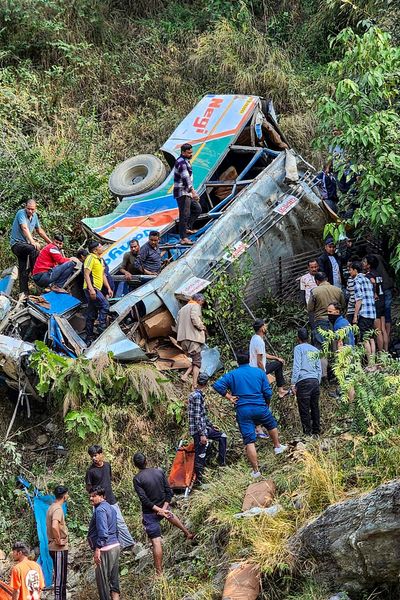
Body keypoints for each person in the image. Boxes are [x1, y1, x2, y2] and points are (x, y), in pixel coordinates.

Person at [213, 350, 287, 479]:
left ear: (237, 361)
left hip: (243, 410)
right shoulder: (259, 372)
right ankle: (277, 446)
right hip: (260, 406)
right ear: (249, 359)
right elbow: (268, 392)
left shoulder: (232, 374)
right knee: (271, 424)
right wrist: (266, 404)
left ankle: (256, 471)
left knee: (249, 440)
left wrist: (229, 397)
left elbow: (217, 385)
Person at [133, 453, 194, 575]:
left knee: (156, 542)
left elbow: (144, 499)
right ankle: (187, 533)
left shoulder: (138, 479)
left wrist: (158, 510)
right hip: (163, 506)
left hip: (150, 513)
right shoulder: (159, 472)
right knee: (169, 514)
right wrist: (164, 507)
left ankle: (159, 573)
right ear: (147, 461)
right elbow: (168, 491)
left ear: (135, 465)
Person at [85, 445, 136, 550]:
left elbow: (109, 478)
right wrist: (95, 497)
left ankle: (128, 543)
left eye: (95, 455)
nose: (93, 458)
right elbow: (88, 487)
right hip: (99, 502)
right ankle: (101, 546)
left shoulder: (107, 465)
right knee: (101, 525)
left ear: (101, 454)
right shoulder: (90, 471)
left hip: (111, 499)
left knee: (119, 521)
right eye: (91, 456)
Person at [188, 372, 227, 482]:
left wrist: (210, 425)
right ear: (206, 384)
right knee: (200, 454)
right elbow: (196, 417)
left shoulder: (198, 395)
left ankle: (221, 463)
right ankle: (199, 480)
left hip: (204, 428)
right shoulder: (196, 396)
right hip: (198, 431)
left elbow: (202, 414)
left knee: (222, 436)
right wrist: (202, 434)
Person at [10, 199, 52, 295]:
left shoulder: (35, 216)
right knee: (34, 249)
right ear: (25, 207)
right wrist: (33, 241)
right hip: (17, 245)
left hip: (25, 246)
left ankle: (24, 295)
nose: (30, 211)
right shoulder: (21, 213)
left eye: (32, 209)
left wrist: (51, 243)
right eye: (28, 209)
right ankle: (36, 273)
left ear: (35, 209)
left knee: (23, 270)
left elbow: (39, 231)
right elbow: (24, 227)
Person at [87, 487, 120, 600]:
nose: (91, 498)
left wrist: (97, 549)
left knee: (103, 583)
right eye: (90, 495)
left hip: (105, 548)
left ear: (102, 497)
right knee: (114, 581)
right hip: (115, 545)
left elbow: (103, 533)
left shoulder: (100, 510)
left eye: (94, 496)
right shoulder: (111, 508)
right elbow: (116, 529)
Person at [291, 328, 322, 436]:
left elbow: (297, 366)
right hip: (314, 381)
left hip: (303, 381)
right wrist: (318, 381)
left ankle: (307, 433)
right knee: (315, 407)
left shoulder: (298, 348)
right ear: (308, 338)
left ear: (298, 338)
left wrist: (293, 383)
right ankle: (316, 432)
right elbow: (319, 368)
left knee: (304, 409)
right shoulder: (315, 350)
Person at [249, 319, 288, 399]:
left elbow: (263, 354)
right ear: (261, 328)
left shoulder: (254, 338)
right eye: (265, 325)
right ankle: (280, 391)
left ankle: (280, 390)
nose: (266, 327)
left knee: (278, 362)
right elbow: (259, 362)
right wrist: (264, 375)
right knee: (279, 364)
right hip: (257, 369)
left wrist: (276, 358)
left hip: (253, 367)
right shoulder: (259, 341)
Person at [83, 241, 113, 344]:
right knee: (105, 305)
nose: (102, 247)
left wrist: (108, 288)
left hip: (97, 289)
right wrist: (91, 289)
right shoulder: (90, 258)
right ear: (95, 250)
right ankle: (101, 327)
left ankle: (89, 337)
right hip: (92, 288)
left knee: (91, 314)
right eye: (100, 246)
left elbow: (103, 275)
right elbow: (86, 274)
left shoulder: (100, 260)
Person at [307, 271, 346, 349]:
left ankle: (324, 361)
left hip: (321, 321)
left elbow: (310, 308)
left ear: (316, 281)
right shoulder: (338, 290)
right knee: (336, 345)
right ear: (327, 279)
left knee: (322, 347)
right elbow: (343, 305)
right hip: (336, 321)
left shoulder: (315, 291)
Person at [173, 143, 202, 245]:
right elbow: (186, 179)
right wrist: (193, 192)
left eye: (191, 152)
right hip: (183, 192)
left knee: (197, 209)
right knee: (184, 215)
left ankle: (187, 228)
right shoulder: (181, 163)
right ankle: (183, 238)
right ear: (183, 152)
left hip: (187, 192)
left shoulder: (186, 161)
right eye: (189, 152)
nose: (191, 154)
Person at [176, 293, 207, 389]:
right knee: (197, 362)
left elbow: (177, 324)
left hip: (183, 339)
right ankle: (194, 384)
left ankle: (185, 375)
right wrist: (202, 327)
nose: (201, 304)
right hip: (193, 338)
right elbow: (194, 318)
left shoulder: (181, 310)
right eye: (202, 302)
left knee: (195, 359)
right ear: (199, 300)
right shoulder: (195, 306)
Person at [349, 260, 376, 360]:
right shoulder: (366, 279)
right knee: (371, 338)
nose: (349, 272)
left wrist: (355, 316)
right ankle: (373, 361)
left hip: (364, 313)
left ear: (355, 270)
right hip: (372, 312)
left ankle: (370, 363)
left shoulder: (357, 280)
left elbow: (359, 299)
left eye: (350, 270)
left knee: (365, 339)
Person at [46, 486, 69, 600]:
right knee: (60, 580)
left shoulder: (51, 507)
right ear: (64, 495)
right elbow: (55, 526)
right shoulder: (58, 509)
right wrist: (59, 540)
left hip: (53, 547)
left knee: (60, 577)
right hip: (58, 548)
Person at [363, 254, 388, 352]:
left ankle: (381, 354)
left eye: (365, 262)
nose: (363, 264)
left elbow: (373, 282)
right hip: (382, 301)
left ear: (368, 265)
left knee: (377, 331)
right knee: (383, 329)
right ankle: (386, 351)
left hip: (376, 304)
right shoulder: (378, 273)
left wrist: (375, 293)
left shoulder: (369, 275)